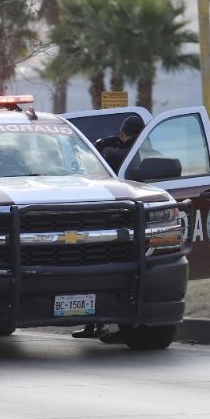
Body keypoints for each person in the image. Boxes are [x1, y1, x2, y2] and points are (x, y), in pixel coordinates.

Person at [73, 115, 146, 343]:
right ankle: (94, 324)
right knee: (101, 269)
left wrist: (105, 148)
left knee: (108, 271)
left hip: (119, 220)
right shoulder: (115, 146)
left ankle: (107, 326)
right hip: (107, 219)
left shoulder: (124, 152)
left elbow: (119, 163)